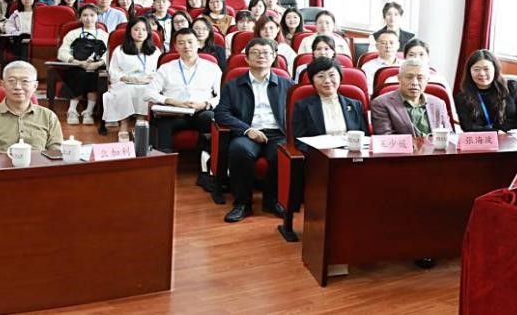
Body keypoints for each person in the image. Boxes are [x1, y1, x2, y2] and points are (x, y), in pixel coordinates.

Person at [213, 38, 293, 222]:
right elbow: (221, 113)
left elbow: (296, 113)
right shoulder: (233, 85)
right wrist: (247, 130)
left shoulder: (287, 84)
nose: (261, 56)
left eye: (265, 53)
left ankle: (272, 201)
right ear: (247, 58)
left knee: (281, 154)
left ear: (274, 57)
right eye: (255, 53)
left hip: (277, 133)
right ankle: (242, 204)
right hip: (247, 132)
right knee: (240, 150)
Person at [146, 30, 221, 156]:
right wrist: (172, 101)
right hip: (174, 112)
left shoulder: (212, 67)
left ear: (198, 44)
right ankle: (164, 161)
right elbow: (148, 93)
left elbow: (222, 95)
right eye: (181, 43)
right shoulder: (166, 68)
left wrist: (204, 104)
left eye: (190, 42)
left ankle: (205, 161)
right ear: (175, 47)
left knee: (210, 118)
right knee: (162, 123)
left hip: (201, 111)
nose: (186, 46)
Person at [0, 60, 64, 154]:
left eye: (25, 81)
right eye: (12, 81)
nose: (18, 87)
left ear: (35, 86)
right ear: (3, 85)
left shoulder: (48, 116)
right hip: (0, 163)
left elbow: (56, 152)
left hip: (38, 163)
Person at [103, 18, 162, 133]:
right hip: (125, 82)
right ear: (129, 31)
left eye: (144, 30)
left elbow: (160, 71)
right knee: (125, 91)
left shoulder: (155, 51)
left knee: (146, 91)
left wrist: (150, 78)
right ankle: (124, 124)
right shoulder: (120, 50)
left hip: (147, 82)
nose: (140, 33)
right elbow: (113, 70)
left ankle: (140, 122)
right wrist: (127, 78)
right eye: (136, 29)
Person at [290, 59, 368, 143]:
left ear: (340, 77)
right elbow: (299, 142)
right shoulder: (302, 107)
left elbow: (365, 137)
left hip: (351, 150)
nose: (327, 81)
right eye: (321, 76)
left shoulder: (355, 105)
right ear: (312, 81)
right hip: (318, 151)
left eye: (332, 75)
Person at [456, 50, 517, 132]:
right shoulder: (462, 98)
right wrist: (496, 133)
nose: (482, 73)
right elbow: (469, 127)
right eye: (476, 69)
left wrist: (508, 134)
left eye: (486, 69)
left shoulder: (512, 87)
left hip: (515, 137)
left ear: (495, 69)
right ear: (469, 72)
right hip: (486, 139)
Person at [370, 59, 450, 137]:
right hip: (401, 146)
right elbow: (386, 138)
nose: (414, 83)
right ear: (399, 78)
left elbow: (449, 135)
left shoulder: (438, 103)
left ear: (427, 80)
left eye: (420, 78)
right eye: (409, 77)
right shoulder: (381, 103)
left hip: (435, 146)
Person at [57, 5, 109, 126]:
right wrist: (77, 62)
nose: (88, 18)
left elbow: (108, 53)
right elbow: (62, 52)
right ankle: (72, 111)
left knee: (93, 76)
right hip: (76, 65)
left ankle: (88, 112)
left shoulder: (104, 35)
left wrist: (98, 63)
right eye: (85, 15)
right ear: (80, 17)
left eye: (92, 15)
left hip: (96, 66)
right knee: (78, 74)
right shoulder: (72, 33)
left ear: (97, 17)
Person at [0, 0, 35, 65]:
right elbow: (9, 26)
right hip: (19, 38)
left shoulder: (38, 12)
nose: (27, 0)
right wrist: (16, 32)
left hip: (33, 37)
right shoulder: (16, 13)